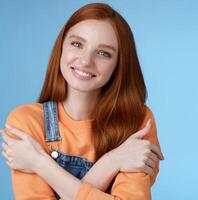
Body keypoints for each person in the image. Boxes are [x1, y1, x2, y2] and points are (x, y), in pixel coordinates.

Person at [0, 3, 164, 200]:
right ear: (61, 46)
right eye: (77, 44)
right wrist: (112, 163)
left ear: (119, 65)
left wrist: (39, 163)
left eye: (104, 53)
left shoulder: (138, 121)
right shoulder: (27, 122)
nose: (86, 61)